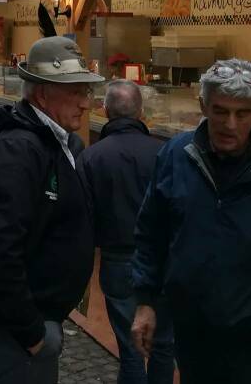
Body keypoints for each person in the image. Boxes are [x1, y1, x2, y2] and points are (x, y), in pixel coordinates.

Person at [0, 36, 103, 384]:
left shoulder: (55, 142)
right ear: (42, 94)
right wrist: (31, 333)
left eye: (86, 92)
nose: (85, 103)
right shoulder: (19, 150)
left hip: (32, 323)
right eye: (75, 91)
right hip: (14, 333)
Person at [131, 59, 251, 384]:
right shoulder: (176, 155)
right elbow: (151, 233)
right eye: (220, 111)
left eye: (241, 113)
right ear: (203, 105)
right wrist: (145, 302)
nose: (229, 124)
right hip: (192, 330)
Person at [80, 80, 174, 384]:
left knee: (130, 348)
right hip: (163, 262)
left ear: (104, 110)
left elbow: (84, 217)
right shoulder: (165, 154)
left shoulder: (92, 156)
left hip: (116, 261)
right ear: (142, 112)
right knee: (163, 345)